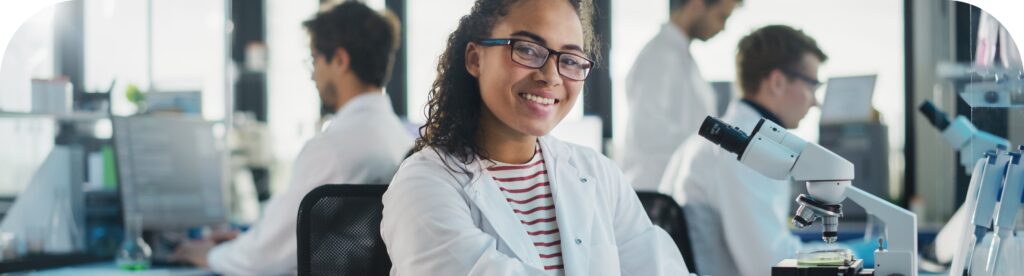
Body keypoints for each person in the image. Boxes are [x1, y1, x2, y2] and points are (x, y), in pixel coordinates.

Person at [380, 0, 691, 275]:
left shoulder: (598, 173)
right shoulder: (423, 183)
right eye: (527, 50)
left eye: (569, 60)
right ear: (475, 59)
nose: (551, 76)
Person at [172, 2, 412, 274]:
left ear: (340, 61)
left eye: (315, 59)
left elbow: (267, 257)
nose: (313, 75)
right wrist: (247, 240)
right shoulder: (397, 137)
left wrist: (211, 255)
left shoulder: (333, 148)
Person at [659, 25, 829, 276]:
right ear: (778, 82)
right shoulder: (750, 152)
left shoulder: (701, 143)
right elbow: (771, 264)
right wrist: (852, 253)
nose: (816, 101)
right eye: (812, 85)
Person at [620, 0, 741, 191]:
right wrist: (715, 145)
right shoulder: (659, 56)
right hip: (654, 191)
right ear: (696, 5)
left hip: (671, 188)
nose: (723, 27)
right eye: (721, 17)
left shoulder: (679, 56)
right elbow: (648, 131)